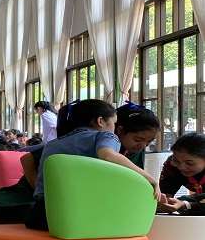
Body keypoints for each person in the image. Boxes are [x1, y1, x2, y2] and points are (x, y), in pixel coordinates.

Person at [26, 99, 162, 230]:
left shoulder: (53, 143)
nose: (114, 129)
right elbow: (108, 155)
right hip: (73, 214)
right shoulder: (106, 136)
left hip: (39, 213)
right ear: (100, 121)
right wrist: (149, 178)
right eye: (114, 123)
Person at [159, 133, 205, 202]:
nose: (181, 167)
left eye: (189, 163)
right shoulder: (171, 166)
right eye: (176, 161)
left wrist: (186, 205)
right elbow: (164, 195)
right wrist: (165, 203)